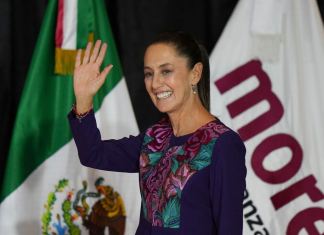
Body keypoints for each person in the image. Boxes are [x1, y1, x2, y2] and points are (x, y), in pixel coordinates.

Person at [68, 31, 246, 235]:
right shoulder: (155, 137)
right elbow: (93, 154)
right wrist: (83, 100)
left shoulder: (223, 144)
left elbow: (229, 228)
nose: (155, 83)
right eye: (149, 73)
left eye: (166, 71)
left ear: (195, 73)